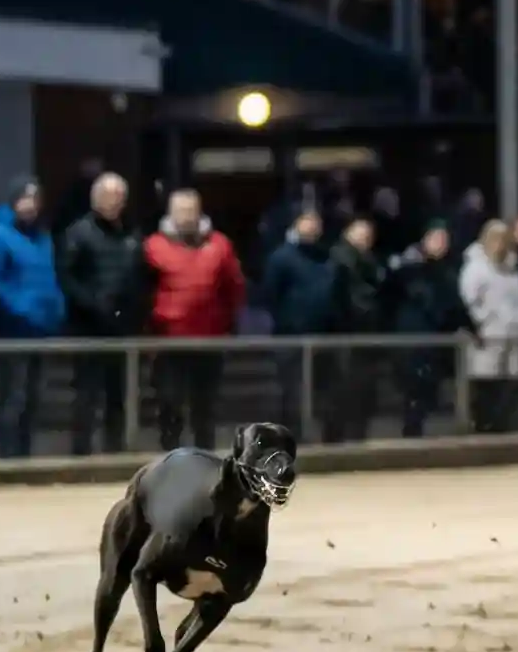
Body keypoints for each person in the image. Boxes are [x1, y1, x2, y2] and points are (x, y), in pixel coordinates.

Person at [141, 188, 244, 451]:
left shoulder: (220, 245)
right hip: (168, 341)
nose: (186, 216)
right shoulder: (152, 246)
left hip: (209, 339)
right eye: (180, 211)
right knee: (169, 405)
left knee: (205, 407)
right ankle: (170, 458)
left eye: (190, 210)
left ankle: (204, 459)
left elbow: (234, 287)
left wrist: (229, 324)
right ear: (170, 213)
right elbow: (141, 291)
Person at [0, 176, 64, 459]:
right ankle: (8, 456)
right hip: (12, 329)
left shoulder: (43, 236)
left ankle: (25, 454)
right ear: (14, 202)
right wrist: (20, 308)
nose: (30, 205)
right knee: (13, 396)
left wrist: (56, 308)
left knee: (34, 398)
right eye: (25, 199)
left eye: (35, 199)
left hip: (41, 327)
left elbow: (49, 276)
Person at [58, 172, 143, 455]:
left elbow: (137, 275)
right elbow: (68, 278)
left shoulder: (132, 234)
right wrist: (94, 305)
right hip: (88, 327)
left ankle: (115, 449)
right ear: (95, 199)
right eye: (108, 196)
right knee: (86, 394)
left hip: (122, 327)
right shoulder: (79, 232)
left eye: (118, 197)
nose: (113, 202)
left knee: (117, 395)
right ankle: (81, 452)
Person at [257, 207, 341, 436]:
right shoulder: (281, 257)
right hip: (291, 336)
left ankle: (328, 439)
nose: (312, 226)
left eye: (316, 222)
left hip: (324, 335)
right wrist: (288, 320)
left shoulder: (326, 257)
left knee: (324, 392)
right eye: (307, 221)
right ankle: (291, 437)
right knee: (292, 392)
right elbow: (270, 294)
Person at [387, 221, 466, 438]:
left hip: (434, 339)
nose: (441, 244)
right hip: (412, 337)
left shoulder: (446, 272)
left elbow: (453, 305)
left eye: (444, 240)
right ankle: (411, 433)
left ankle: (417, 432)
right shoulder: (408, 269)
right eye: (437, 238)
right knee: (413, 390)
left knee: (427, 392)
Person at [458, 218, 518, 433]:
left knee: (510, 387)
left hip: (513, 334)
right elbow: (469, 300)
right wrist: (482, 322)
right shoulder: (476, 268)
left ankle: (506, 427)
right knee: (487, 386)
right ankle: (484, 428)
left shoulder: (511, 268)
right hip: (488, 336)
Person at [326, 216, 389, 442]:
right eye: (361, 233)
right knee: (345, 394)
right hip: (347, 335)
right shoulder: (341, 260)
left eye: (368, 235)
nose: (365, 239)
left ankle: (355, 437)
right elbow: (343, 299)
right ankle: (340, 440)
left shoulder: (370, 262)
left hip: (365, 336)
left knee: (362, 395)